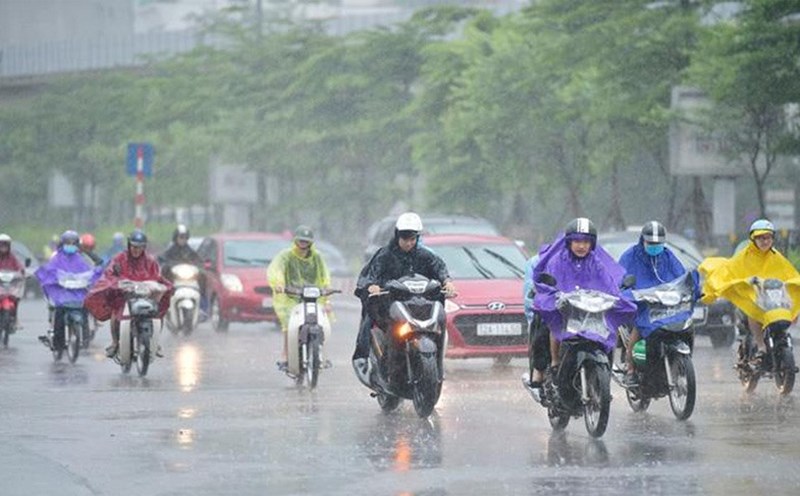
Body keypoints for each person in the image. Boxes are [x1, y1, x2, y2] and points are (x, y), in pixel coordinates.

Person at [530, 218, 635, 389]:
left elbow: (608, 284)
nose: (581, 246)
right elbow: (550, 283)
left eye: (586, 242)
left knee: (612, 325)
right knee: (548, 325)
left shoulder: (596, 262)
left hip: (589, 311)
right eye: (577, 241)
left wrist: (616, 296)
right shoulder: (558, 261)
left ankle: (606, 369)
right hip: (565, 309)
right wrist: (553, 294)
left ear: (592, 244)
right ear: (569, 242)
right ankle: (552, 364)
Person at [351, 212, 456, 377]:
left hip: (419, 303)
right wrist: (372, 286)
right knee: (368, 320)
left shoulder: (425, 255)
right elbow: (371, 275)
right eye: (405, 238)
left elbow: (440, 269)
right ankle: (363, 357)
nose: (409, 243)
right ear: (397, 236)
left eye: (412, 239)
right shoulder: (384, 255)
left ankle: (438, 365)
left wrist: (447, 281)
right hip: (390, 303)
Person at [700, 219, 800, 365]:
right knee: (753, 312)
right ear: (753, 239)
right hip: (751, 298)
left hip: (771, 299)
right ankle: (761, 346)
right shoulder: (744, 256)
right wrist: (747, 281)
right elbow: (730, 272)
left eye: (768, 237)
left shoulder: (777, 257)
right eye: (760, 238)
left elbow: (790, 275)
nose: (765, 241)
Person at [617, 221, 697, 385]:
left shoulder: (668, 257)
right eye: (651, 243)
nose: (655, 247)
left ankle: (680, 363)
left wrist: (691, 288)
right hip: (643, 306)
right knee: (639, 328)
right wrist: (629, 292)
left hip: (666, 306)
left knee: (688, 325)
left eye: (658, 244)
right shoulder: (630, 256)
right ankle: (630, 368)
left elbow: (681, 277)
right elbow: (620, 280)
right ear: (643, 240)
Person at [84, 230, 172, 358]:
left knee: (157, 313)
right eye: (134, 246)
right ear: (129, 245)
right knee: (115, 312)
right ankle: (115, 343)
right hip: (125, 295)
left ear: (144, 247)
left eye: (140, 247)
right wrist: (117, 283)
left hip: (146, 295)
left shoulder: (150, 261)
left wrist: (162, 286)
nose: (136, 250)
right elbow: (110, 274)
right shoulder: (119, 259)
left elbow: (157, 277)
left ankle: (155, 342)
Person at [267, 225, 331, 368]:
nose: (303, 243)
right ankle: (286, 353)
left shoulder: (317, 257)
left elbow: (324, 274)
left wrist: (327, 290)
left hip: (313, 296)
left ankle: (321, 354)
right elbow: (277, 269)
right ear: (295, 240)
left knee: (322, 321)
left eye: (306, 241)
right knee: (289, 323)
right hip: (291, 296)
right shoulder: (286, 255)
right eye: (301, 240)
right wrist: (279, 283)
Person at [35, 230, 101, 350]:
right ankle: (58, 342)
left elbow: (88, 271)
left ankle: (85, 337)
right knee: (59, 313)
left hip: (78, 293)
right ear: (62, 243)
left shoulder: (81, 259)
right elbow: (50, 270)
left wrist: (94, 276)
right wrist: (54, 278)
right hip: (62, 293)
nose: (70, 245)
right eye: (67, 243)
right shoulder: (57, 258)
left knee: (85, 308)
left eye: (73, 243)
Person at [0, 233, 25, 328]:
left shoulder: (12, 257)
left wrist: (22, 271)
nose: (3, 247)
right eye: (1, 245)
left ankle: (15, 318)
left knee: (15, 298)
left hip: (9, 284)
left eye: (5, 245)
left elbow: (19, 266)